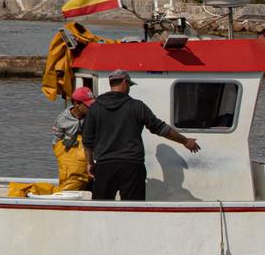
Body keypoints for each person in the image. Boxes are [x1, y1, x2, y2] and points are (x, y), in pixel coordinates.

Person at [80, 70, 199, 201]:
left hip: (104, 166)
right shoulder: (137, 106)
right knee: (134, 210)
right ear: (125, 82)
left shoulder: (95, 108)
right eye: (129, 85)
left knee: (101, 209)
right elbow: (160, 128)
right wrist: (185, 141)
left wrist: (89, 163)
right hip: (132, 166)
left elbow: (87, 141)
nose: (129, 89)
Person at [7, 86, 94, 198]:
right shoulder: (62, 119)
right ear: (76, 104)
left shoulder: (92, 116)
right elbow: (56, 140)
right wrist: (66, 158)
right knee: (67, 189)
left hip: (86, 158)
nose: (91, 107)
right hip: (70, 160)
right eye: (88, 105)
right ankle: (29, 190)